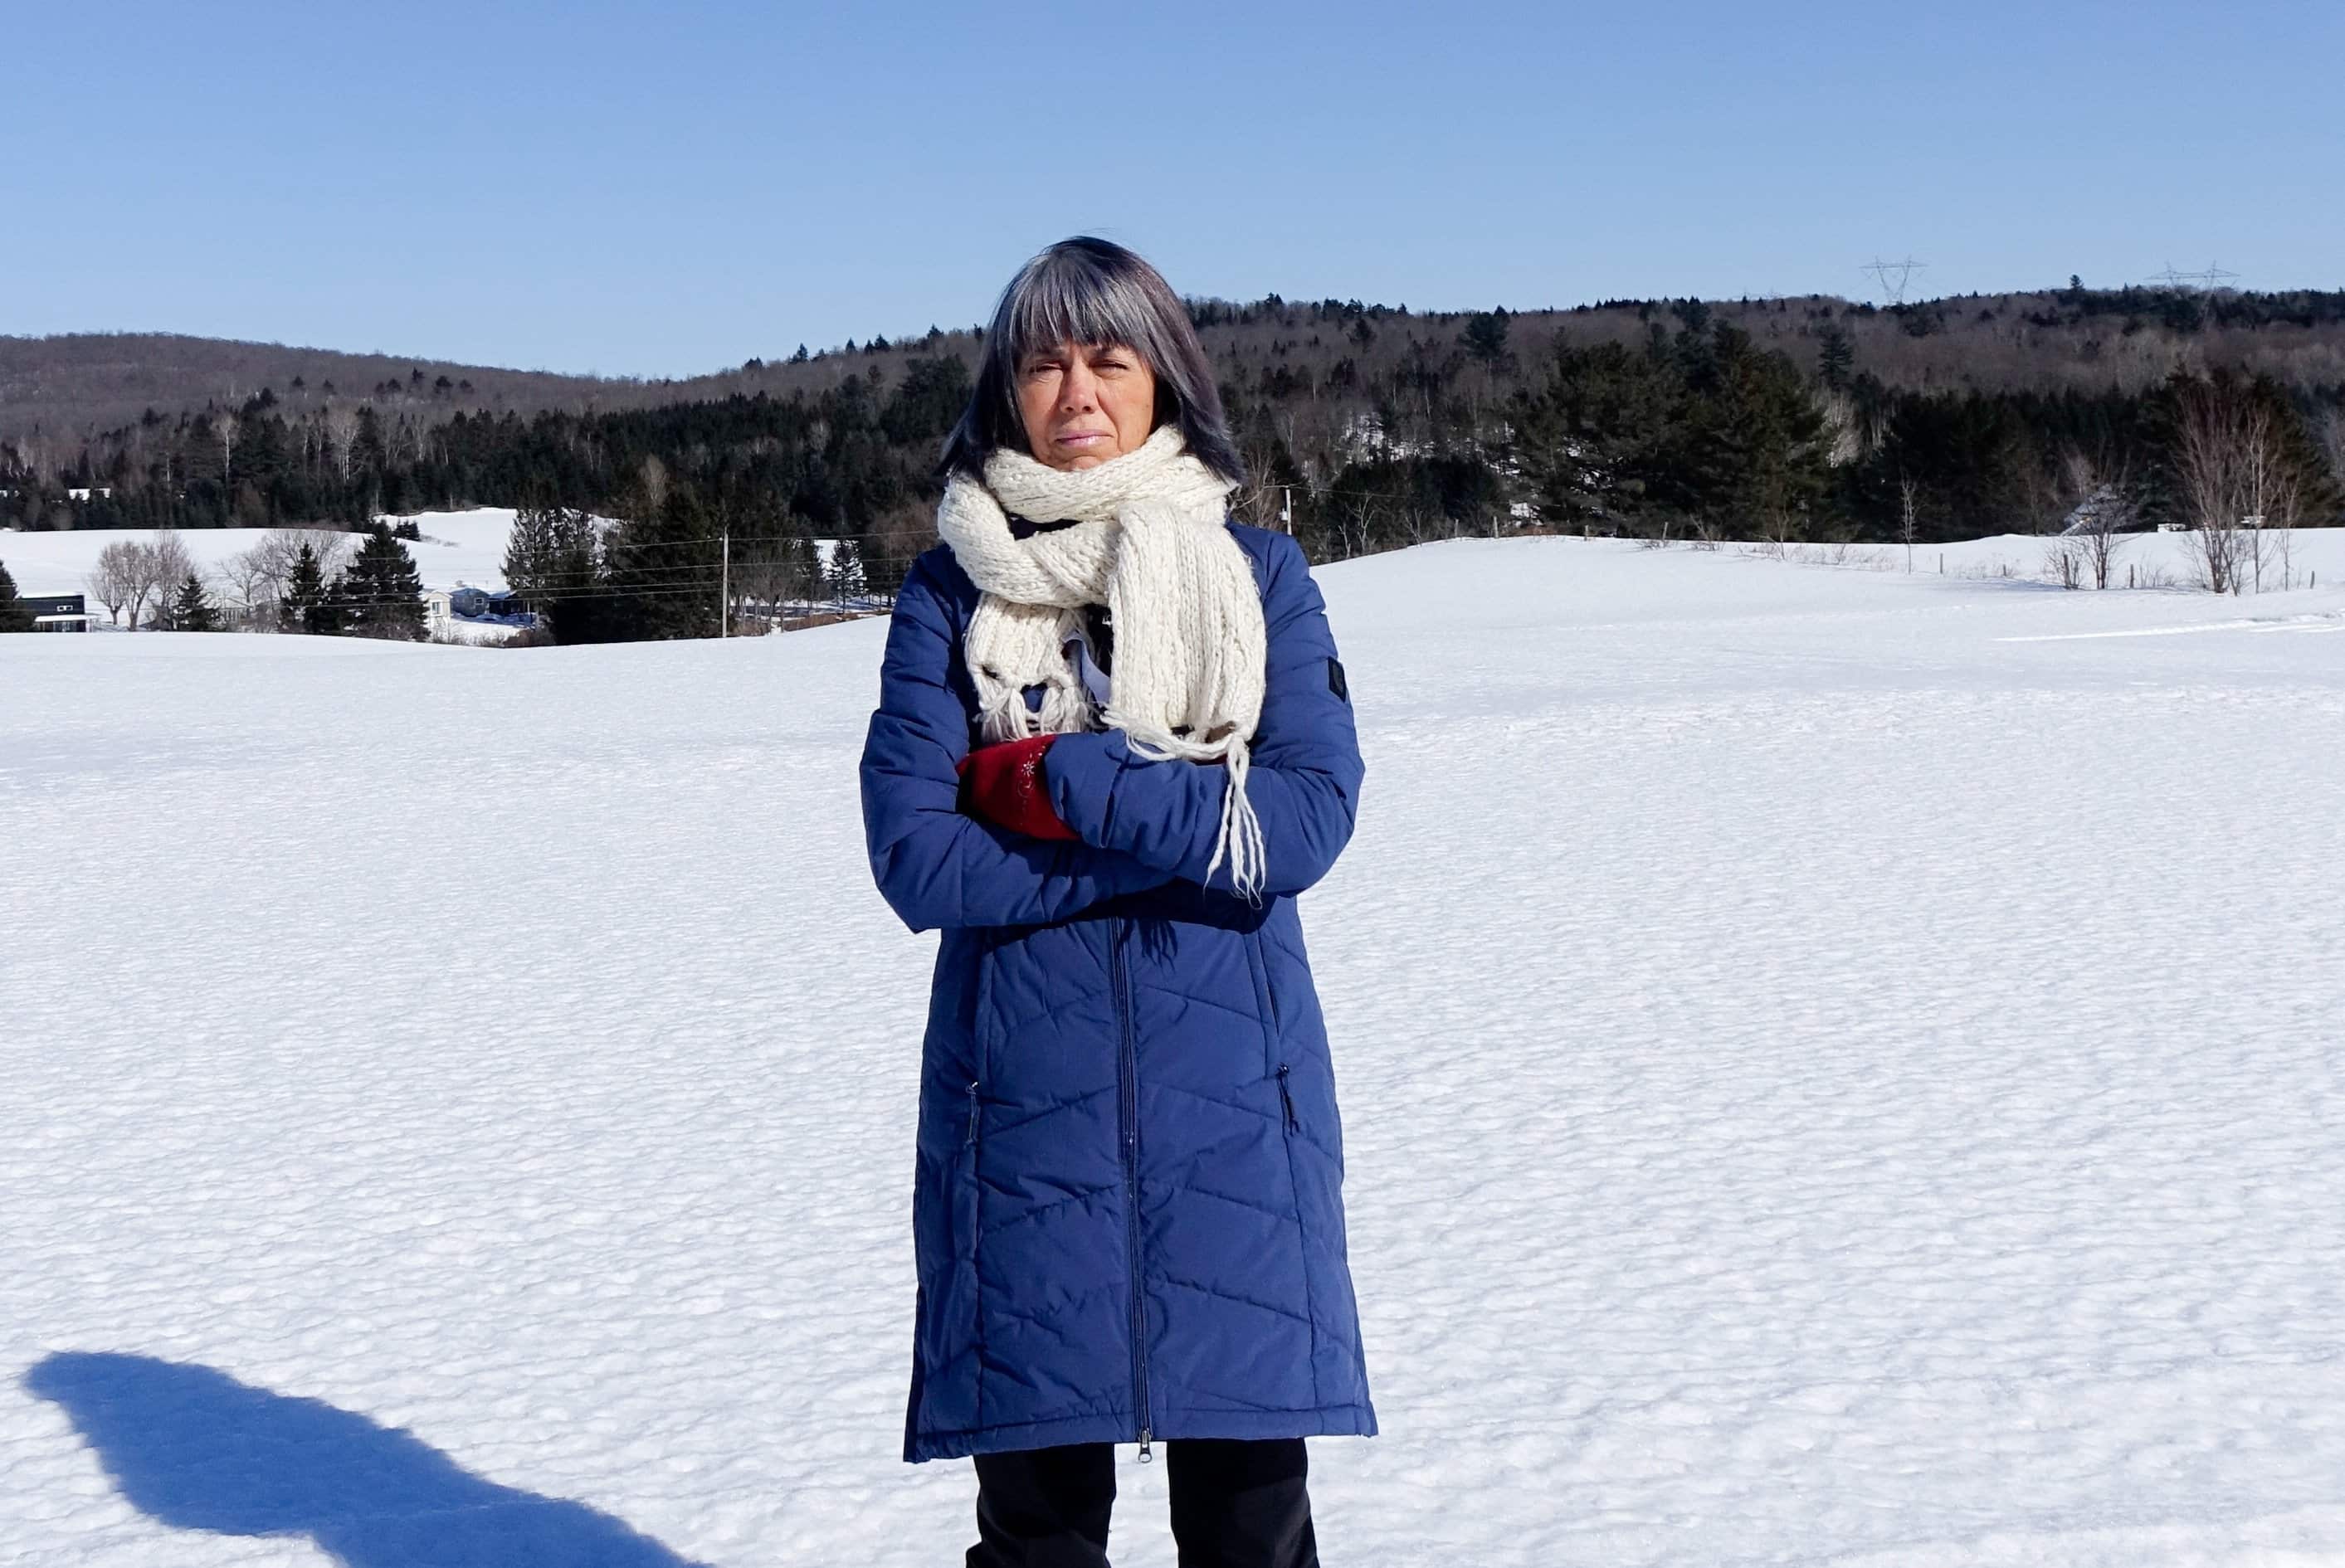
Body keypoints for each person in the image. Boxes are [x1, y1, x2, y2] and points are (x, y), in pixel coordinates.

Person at [860, 236, 1372, 1568]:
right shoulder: (949, 594)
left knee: (1253, 1529)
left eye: (1108, 357)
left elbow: (1303, 821)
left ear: (1165, 379)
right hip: (1018, 1126)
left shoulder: (1257, 575)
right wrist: (1190, 820)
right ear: (1006, 392)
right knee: (1036, 1537)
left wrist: (1061, 779)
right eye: (1043, 363)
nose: (1076, 390)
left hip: (1234, 1123)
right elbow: (918, 858)